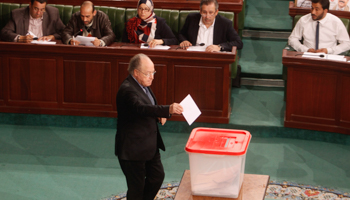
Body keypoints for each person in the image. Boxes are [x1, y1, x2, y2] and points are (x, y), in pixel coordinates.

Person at [115, 53, 183, 200]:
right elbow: (140, 108)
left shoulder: (143, 85)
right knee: (136, 188)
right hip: (132, 149)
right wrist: (167, 109)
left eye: (153, 72)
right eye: (148, 73)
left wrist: (159, 115)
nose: (152, 76)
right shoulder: (127, 90)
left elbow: (148, 107)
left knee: (157, 177)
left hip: (149, 145)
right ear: (136, 73)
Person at [179, 0, 243, 52]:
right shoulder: (191, 19)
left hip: (214, 58)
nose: (207, 16)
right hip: (193, 55)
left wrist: (219, 47)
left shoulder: (225, 23)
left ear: (216, 12)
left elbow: (238, 43)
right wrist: (184, 41)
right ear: (200, 11)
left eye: (211, 13)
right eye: (204, 12)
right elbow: (181, 34)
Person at [0, 0, 65, 43]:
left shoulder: (53, 13)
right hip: (24, 50)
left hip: (45, 50)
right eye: (36, 9)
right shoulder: (17, 14)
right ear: (30, 5)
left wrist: (52, 37)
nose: (38, 13)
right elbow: (4, 32)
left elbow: (64, 32)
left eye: (42, 9)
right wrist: (21, 38)